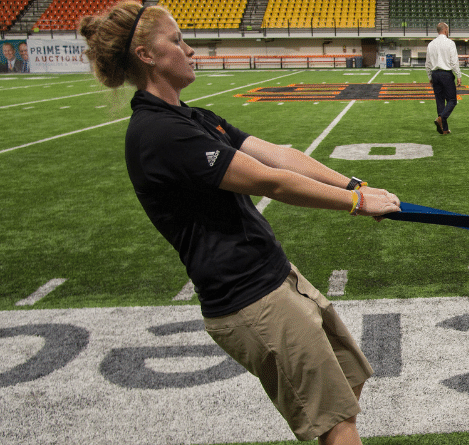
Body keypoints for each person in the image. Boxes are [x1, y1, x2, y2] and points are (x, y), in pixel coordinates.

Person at [79, 3, 401, 444]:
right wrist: (355, 203)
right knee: (335, 422)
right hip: (249, 298)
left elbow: (277, 154)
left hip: (274, 275)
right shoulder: (158, 133)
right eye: (176, 41)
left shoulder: (191, 119)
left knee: (348, 379)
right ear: (147, 55)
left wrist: (354, 183)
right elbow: (272, 181)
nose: (189, 49)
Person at [426, 23, 462, 134]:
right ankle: (440, 119)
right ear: (445, 30)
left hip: (435, 74)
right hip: (446, 74)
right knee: (452, 100)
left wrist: (429, 76)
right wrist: (458, 75)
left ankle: (444, 129)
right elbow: (454, 61)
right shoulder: (450, 43)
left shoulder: (431, 44)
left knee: (440, 101)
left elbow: (427, 63)